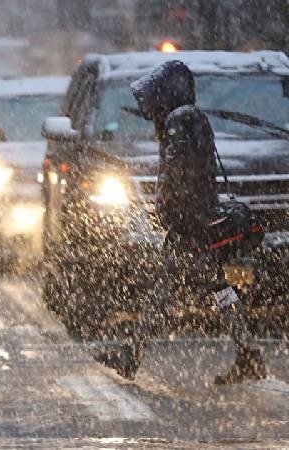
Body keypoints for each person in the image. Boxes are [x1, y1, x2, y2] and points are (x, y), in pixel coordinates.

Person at [95, 60, 266, 384]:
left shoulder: (178, 121)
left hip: (190, 227)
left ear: (165, 92)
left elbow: (178, 175)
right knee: (219, 288)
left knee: (164, 291)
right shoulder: (191, 117)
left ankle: (132, 355)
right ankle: (248, 355)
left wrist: (175, 215)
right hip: (200, 220)